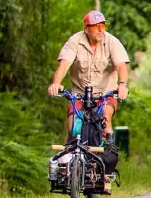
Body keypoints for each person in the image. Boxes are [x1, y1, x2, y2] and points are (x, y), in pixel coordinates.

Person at [47, 10, 130, 140]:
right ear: (86, 29)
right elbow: (64, 65)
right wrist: (56, 83)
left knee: (105, 122)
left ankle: (108, 153)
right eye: (96, 27)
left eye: (102, 26)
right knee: (73, 128)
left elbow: (121, 66)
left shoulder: (112, 42)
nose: (100, 30)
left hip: (105, 95)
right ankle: (73, 156)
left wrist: (122, 85)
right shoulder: (75, 41)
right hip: (79, 96)